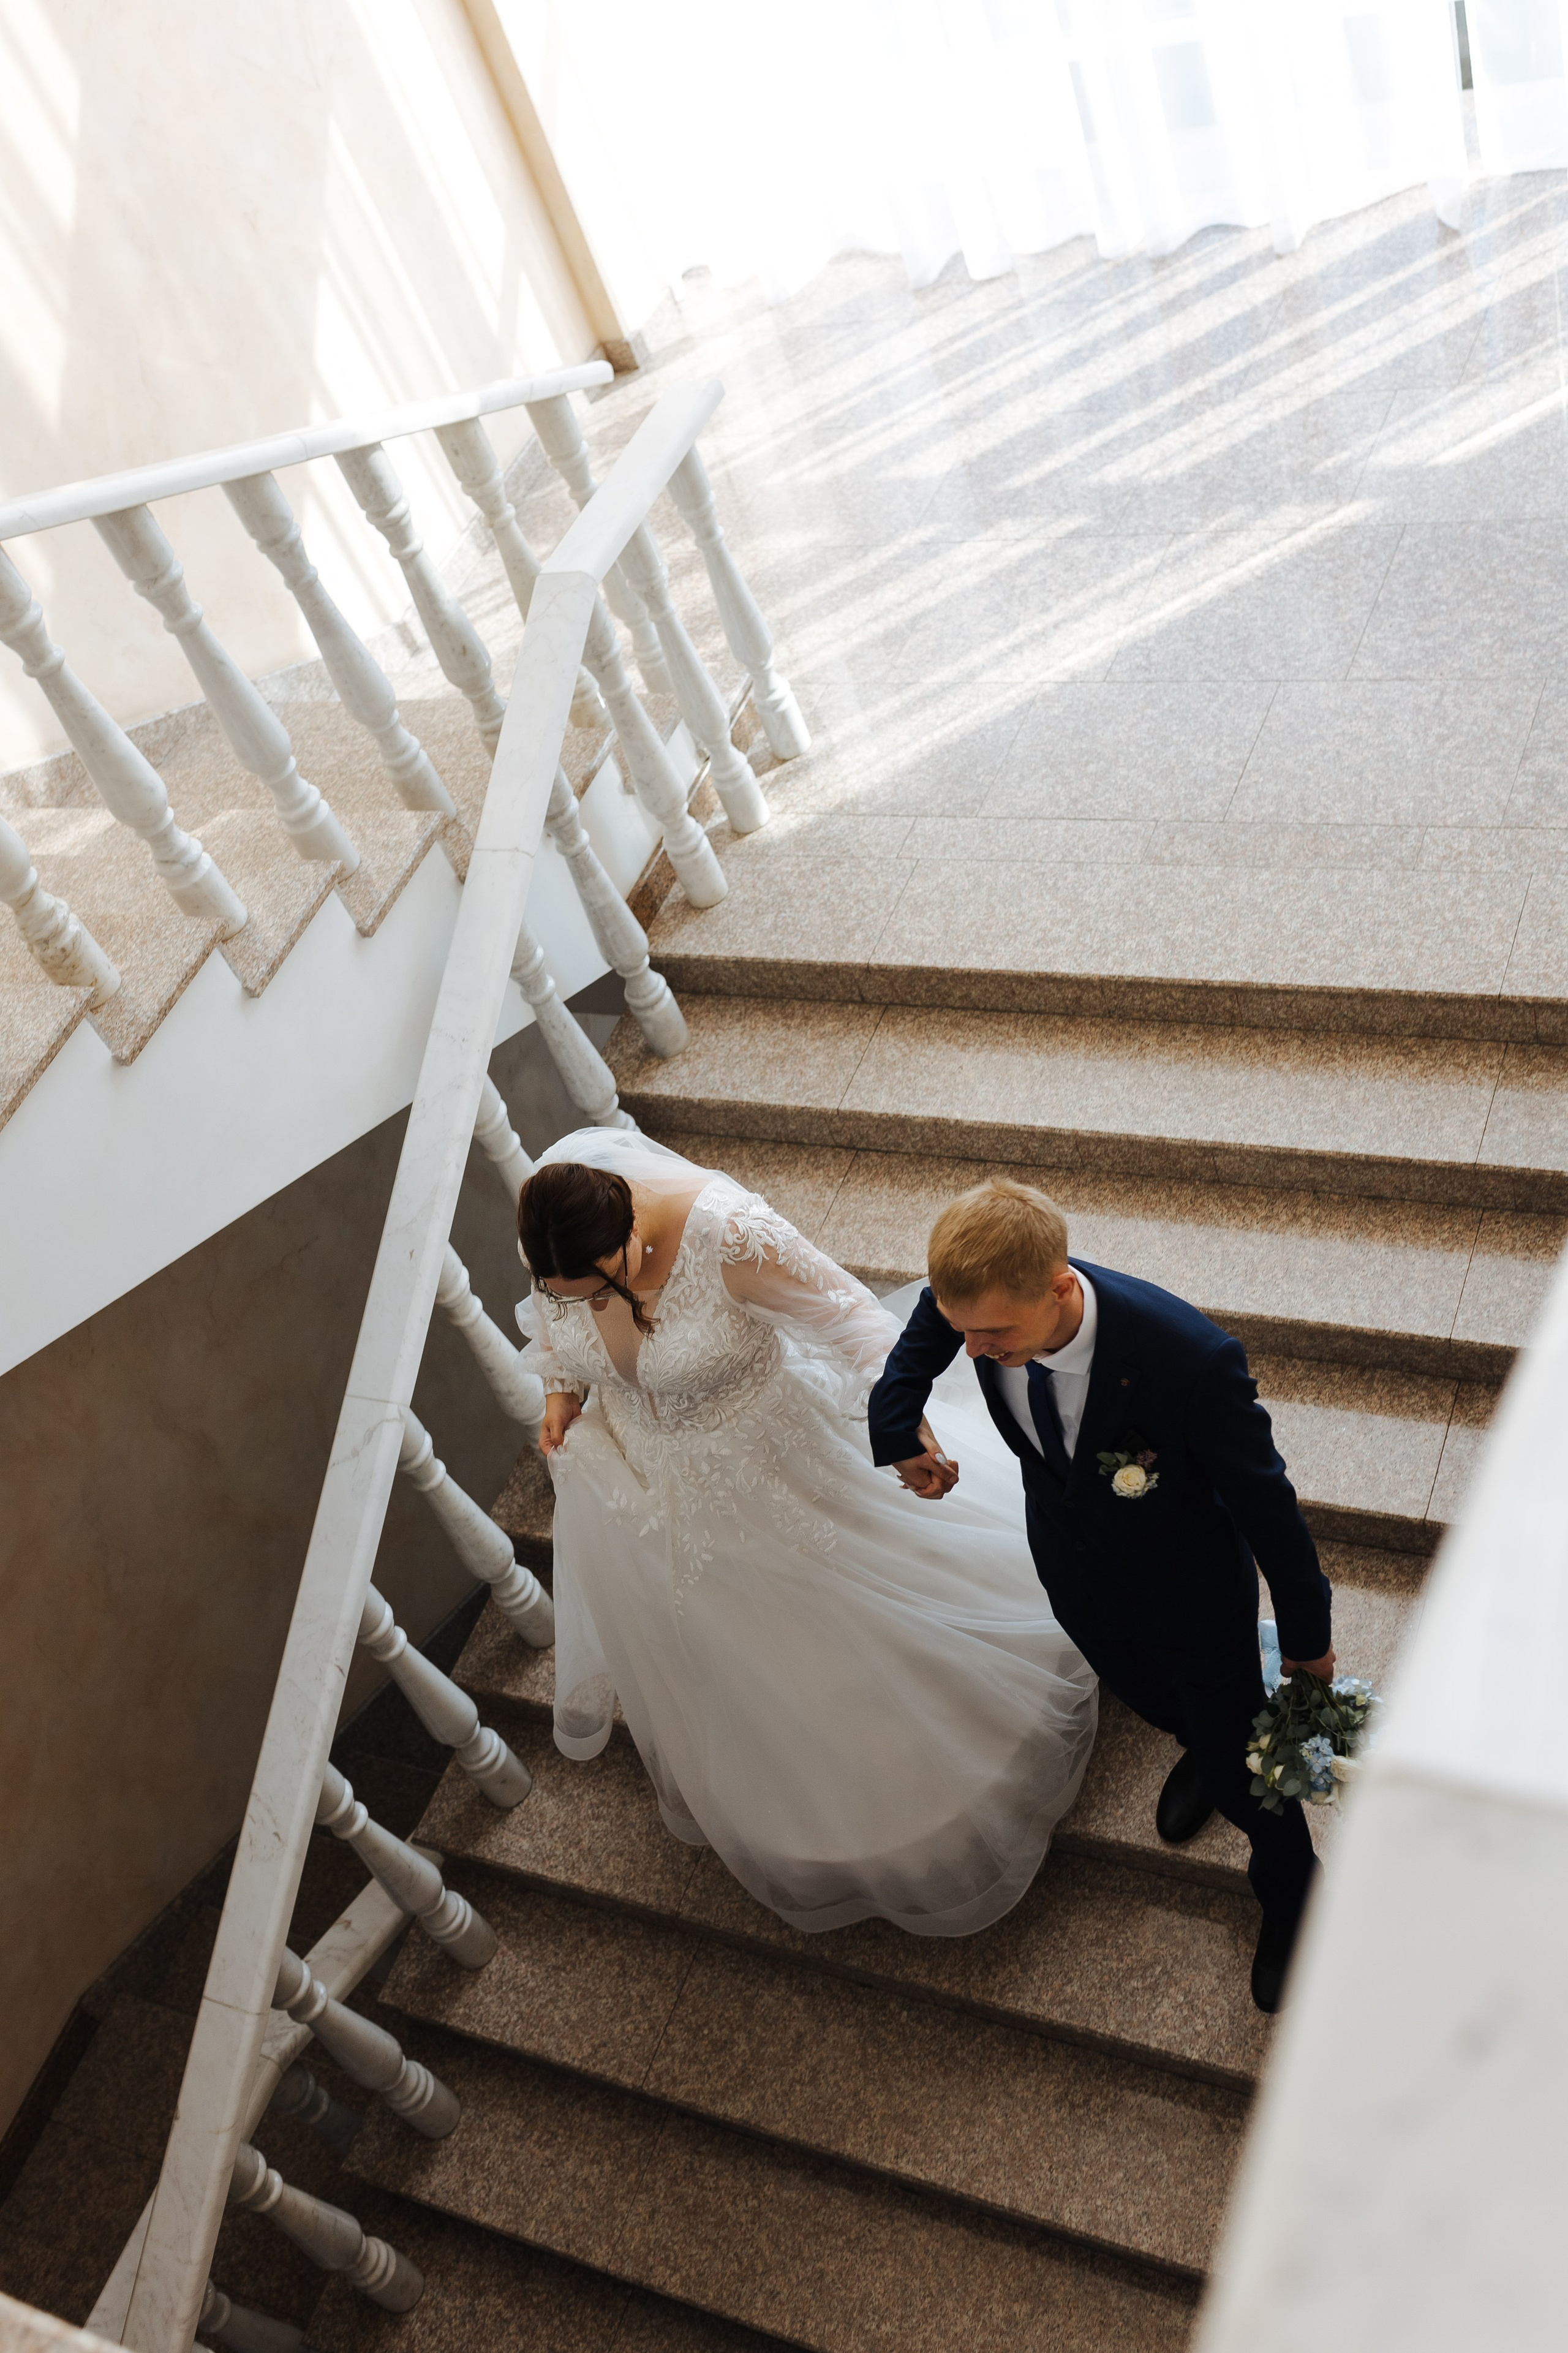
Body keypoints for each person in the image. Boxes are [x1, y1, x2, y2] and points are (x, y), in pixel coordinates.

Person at [514, 1127, 1098, 1938]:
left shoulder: (729, 1233)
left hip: (786, 1449)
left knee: (867, 1620)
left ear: (627, 1229)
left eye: (597, 1282)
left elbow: (852, 1318)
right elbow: (560, 1338)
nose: (588, 1298)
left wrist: (905, 1430)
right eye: (569, 1290)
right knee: (756, 1656)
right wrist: (560, 1393)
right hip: (673, 1489)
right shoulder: (559, 1240)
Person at [867, 1176, 1332, 2013]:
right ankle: (1196, 1735)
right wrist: (897, 1417)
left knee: (1249, 1772)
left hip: (1191, 1599)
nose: (971, 1351)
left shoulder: (1188, 1362)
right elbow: (930, 1334)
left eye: (992, 1333)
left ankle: (1296, 1891)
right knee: (1154, 1697)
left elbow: (1270, 1504)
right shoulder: (984, 1304)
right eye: (961, 1328)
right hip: (1077, 1576)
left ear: (1059, 1286)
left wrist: (1307, 1636)